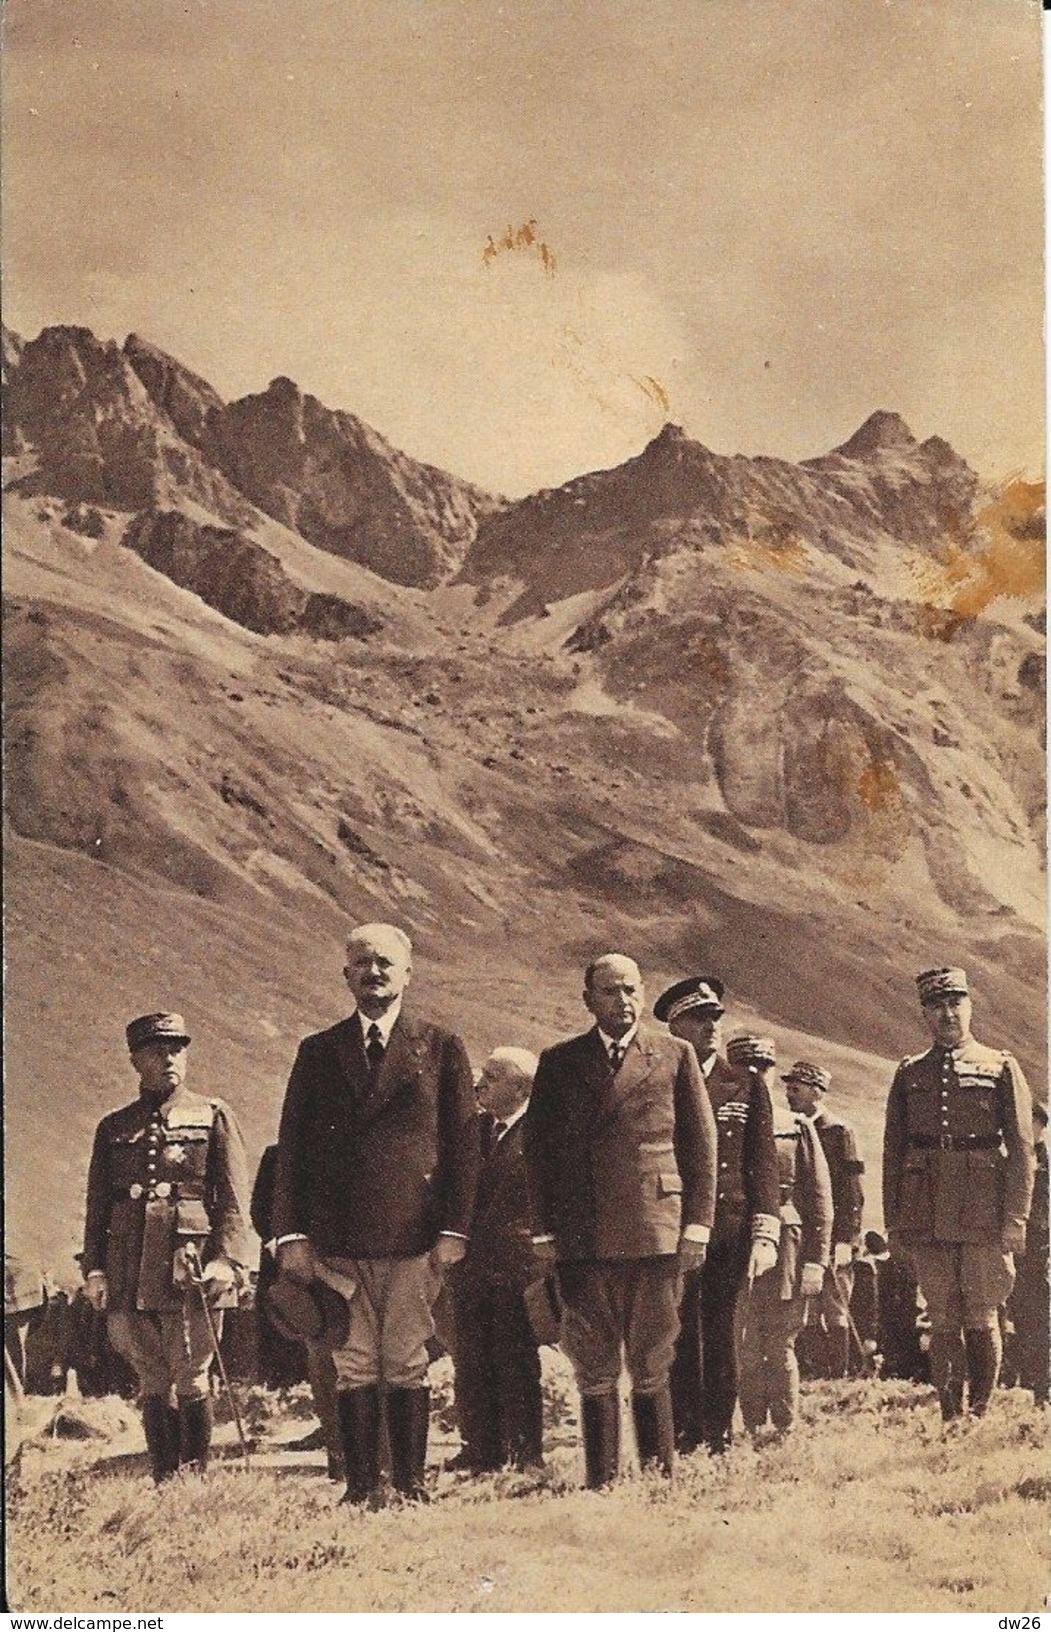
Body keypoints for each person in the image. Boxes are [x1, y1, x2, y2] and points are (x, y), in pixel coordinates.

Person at [271, 923, 480, 1505]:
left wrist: (455, 1229)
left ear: (408, 973)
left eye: (386, 962)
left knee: (407, 1361)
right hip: (339, 1241)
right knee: (357, 1362)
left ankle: (410, 1486)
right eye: (362, 962)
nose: (375, 972)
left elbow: (464, 1148)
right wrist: (291, 1233)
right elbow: (292, 1149)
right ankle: (362, 1487)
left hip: (416, 1238)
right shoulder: (318, 1052)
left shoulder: (441, 1047)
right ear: (346, 975)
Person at [523, 953, 717, 1485]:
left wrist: (697, 1226)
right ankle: (602, 1479)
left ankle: (658, 1476)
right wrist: (543, 1229)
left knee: (654, 1357)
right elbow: (537, 1152)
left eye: (631, 990)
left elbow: (700, 1148)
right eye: (610, 992)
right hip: (583, 1235)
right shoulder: (560, 1061)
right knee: (593, 1360)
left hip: (655, 1229)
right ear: (589, 1000)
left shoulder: (674, 1055)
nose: (623, 1001)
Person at [81, 1012, 252, 1481]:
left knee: (192, 1374)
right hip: (130, 1268)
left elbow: (234, 1201)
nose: (170, 1057)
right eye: (158, 1050)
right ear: (136, 1059)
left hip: (190, 1269)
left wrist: (226, 1260)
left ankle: (194, 1479)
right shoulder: (114, 1127)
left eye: (177, 1048)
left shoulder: (212, 1116)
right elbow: (98, 1206)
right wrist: (94, 1269)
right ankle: (164, 1478)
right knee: (152, 1379)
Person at [882, 966, 1036, 1422]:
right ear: (925, 1015)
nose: (947, 1014)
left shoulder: (1000, 1066)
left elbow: (1022, 1149)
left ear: (969, 1007)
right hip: (926, 1210)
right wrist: (894, 1221)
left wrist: (1015, 1218)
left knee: (982, 1311)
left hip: (984, 1210)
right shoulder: (909, 1072)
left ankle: (981, 1412)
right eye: (937, 1007)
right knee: (942, 1315)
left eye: (955, 1004)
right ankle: (951, 1413)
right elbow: (894, 1150)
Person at [653, 976, 780, 1454]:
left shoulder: (743, 1083)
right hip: (673, 1224)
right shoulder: (661, 1079)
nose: (711, 1028)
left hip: (729, 1226)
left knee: (723, 1328)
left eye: (715, 1019)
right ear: (675, 1026)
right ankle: (685, 1430)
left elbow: (761, 1162)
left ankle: (719, 1431)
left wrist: (765, 1232)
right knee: (679, 1328)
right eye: (699, 1020)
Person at [451, 1047, 546, 1473]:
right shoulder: (472, 1131)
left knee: (516, 1360)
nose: (480, 1083)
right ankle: (481, 1449)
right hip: (471, 1267)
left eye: (492, 1076)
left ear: (523, 1087)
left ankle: (526, 1453)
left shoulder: (544, 1133)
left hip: (518, 1268)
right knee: (470, 1358)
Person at [734, 1036, 833, 1440]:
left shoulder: (795, 1127)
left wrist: (816, 1262)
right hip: (736, 1244)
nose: (756, 1075)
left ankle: (786, 1428)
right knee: (743, 1344)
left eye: (764, 1068)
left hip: (788, 1250)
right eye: (747, 1067)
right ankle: (752, 1427)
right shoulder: (721, 1121)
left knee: (779, 1345)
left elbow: (820, 1200)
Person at [250, 1144, 341, 1475]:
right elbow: (261, 1212)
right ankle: (338, 1452)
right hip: (303, 1277)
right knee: (322, 1358)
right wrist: (287, 1252)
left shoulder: (354, 1148)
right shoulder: (279, 1156)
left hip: (351, 1267)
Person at [782, 1061, 865, 1379]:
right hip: (804, 1232)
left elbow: (852, 1192)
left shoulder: (838, 1132)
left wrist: (847, 1239)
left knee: (834, 1307)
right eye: (788, 1089)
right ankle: (812, 1374)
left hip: (835, 1235)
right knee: (807, 1305)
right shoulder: (793, 1128)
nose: (790, 1095)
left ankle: (837, 1376)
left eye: (796, 1089)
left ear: (817, 1092)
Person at [1003, 1102, 1048, 1407]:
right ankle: (1018, 1381)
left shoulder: (1042, 1161)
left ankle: (1041, 1386)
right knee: (1015, 1315)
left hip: (1035, 1251)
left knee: (1035, 1317)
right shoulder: (1020, 1157)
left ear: (1039, 1125)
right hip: (1015, 1249)